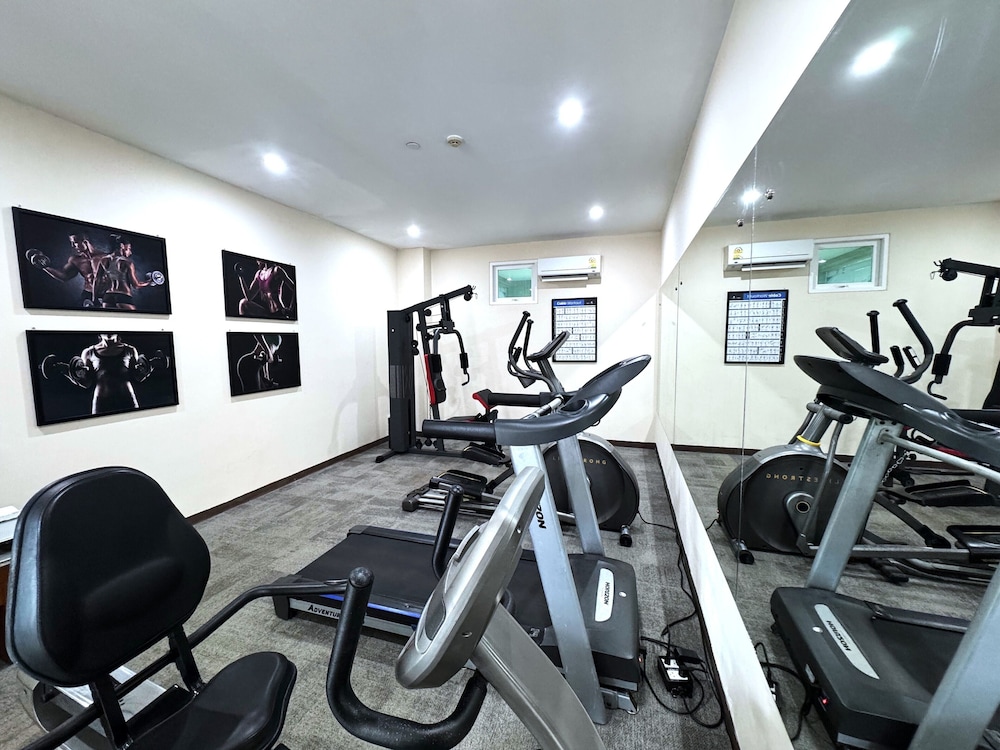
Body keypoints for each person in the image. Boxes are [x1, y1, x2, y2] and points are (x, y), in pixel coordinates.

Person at [40, 334, 167, 415]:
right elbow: (86, 382)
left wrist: (151, 365)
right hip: (102, 401)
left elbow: (137, 376)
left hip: (127, 398)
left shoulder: (130, 350)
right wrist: (65, 370)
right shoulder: (88, 352)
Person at [26, 233, 106, 307]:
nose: (73, 246)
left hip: (106, 295)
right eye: (72, 243)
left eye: (75, 242)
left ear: (85, 241)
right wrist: (44, 267)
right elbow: (64, 276)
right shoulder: (75, 260)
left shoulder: (105, 257)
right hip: (88, 294)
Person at [93, 234, 162, 310]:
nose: (130, 252)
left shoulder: (103, 260)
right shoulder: (127, 262)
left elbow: (97, 280)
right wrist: (149, 282)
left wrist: (94, 298)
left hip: (108, 297)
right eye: (129, 248)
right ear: (122, 246)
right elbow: (136, 285)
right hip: (123, 296)